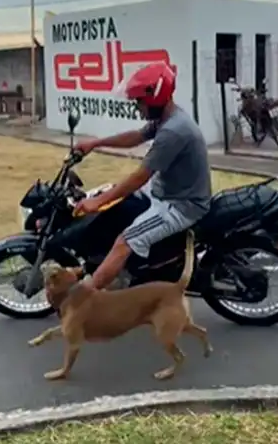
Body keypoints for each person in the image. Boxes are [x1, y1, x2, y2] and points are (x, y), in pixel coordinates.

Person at [71, 61, 212, 293]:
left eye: (139, 101)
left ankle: (85, 299)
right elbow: (136, 136)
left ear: (155, 98)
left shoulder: (173, 131)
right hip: (165, 192)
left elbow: (140, 177)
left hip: (180, 205)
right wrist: (96, 143)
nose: (137, 107)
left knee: (124, 242)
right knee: (117, 204)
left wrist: (98, 201)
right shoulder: (168, 118)